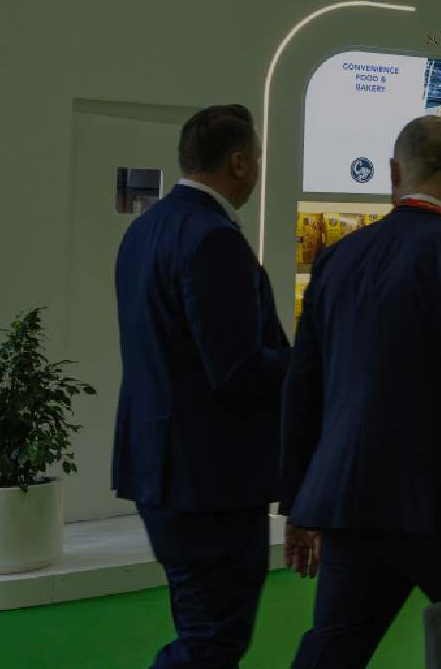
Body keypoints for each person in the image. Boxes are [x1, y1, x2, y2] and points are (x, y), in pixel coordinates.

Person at [281, 116, 441, 667]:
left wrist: (300, 505)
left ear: (394, 172)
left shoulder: (335, 258)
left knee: (333, 647)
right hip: (439, 507)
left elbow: (303, 385)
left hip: (348, 500)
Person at [113, 104, 290, 667]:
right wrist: (316, 361)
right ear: (238, 162)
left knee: (202, 626)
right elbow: (236, 371)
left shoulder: (144, 231)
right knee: (213, 639)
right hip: (208, 479)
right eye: (258, 158)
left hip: (159, 466)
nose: (259, 171)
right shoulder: (214, 238)